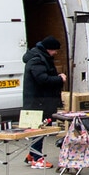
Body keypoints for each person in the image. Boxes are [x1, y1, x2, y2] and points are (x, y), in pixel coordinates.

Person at [22, 35, 65, 166]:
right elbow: (42, 79)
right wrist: (59, 79)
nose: (56, 53)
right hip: (38, 101)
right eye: (54, 50)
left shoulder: (40, 57)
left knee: (39, 128)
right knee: (39, 129)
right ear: (48, 49)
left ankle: (32, 154)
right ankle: (37, 158)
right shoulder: (37, 60)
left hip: (39, 100)